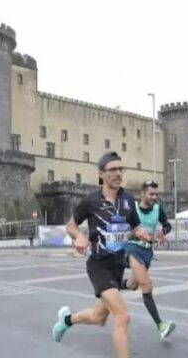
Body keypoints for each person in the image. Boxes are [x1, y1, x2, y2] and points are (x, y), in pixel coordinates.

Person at [51, 151, 146, 358]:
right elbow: (71, 226)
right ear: (101, 174)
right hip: (98, 265)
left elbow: (136, 227)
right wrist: (79, 237)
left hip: (117, 266)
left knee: (98, 318)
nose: (118, 173)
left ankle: (67, 320)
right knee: (122, 316)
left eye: (121, 169)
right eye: (113, 170)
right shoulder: (90, 201)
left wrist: (144, 233)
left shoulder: (128, 200)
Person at [122, 180, 176, 339]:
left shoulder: (158, 209)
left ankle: (111, 284)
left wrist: (162, 232)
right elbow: (124, 231)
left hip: (147, 252)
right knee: (146, 285)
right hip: (132, 249)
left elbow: (167, 225)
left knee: (132, 285)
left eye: (156, 194)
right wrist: (137, 234)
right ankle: (161, 325)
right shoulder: (133, 210)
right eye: (151, 194)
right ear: (142, 194)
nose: (154, 197)